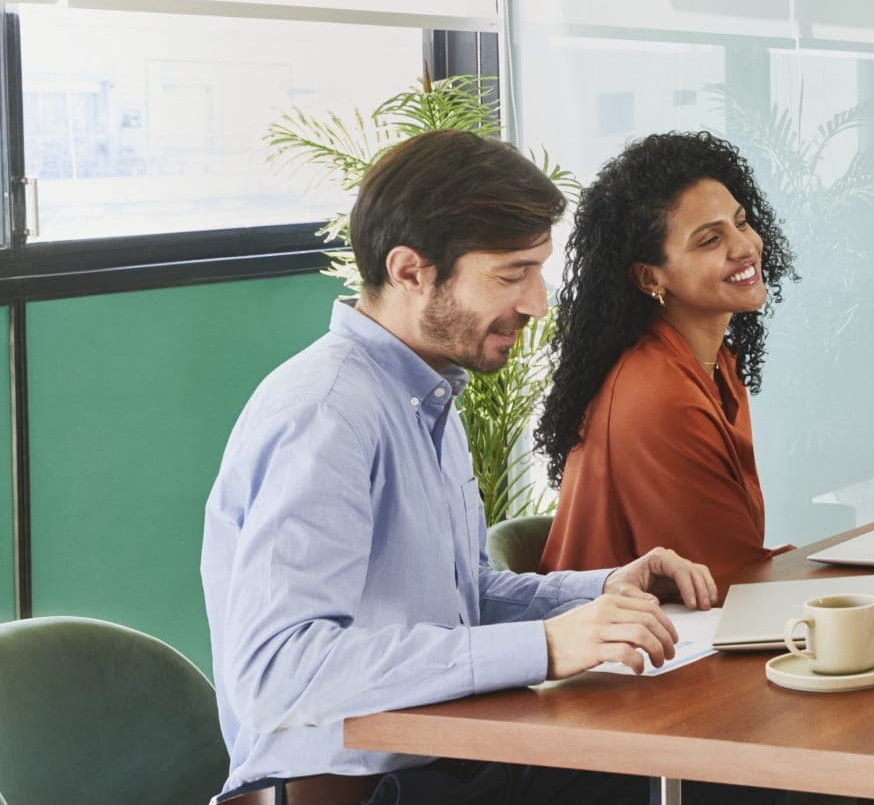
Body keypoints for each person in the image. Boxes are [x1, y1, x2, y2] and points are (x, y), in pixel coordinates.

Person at [202, 130, 724, 805]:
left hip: (448, 762)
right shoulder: (327, 414)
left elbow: (457, 598)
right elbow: (278, 671)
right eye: (512, 274)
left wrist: (600, 593)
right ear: (410, 271)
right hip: (349, 791)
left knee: (735, 782)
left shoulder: (423, 390)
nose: (538, 303)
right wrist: (544, 646)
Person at [538, 131, 797, 578]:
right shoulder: (659, 394)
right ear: (650, 278)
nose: (745, 246)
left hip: (687, 625)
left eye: (741, 222)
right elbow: (727, 582)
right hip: (629, 642)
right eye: (709, 240)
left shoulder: (718, 363)